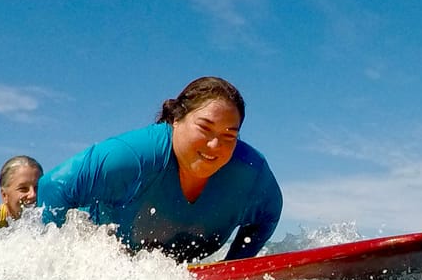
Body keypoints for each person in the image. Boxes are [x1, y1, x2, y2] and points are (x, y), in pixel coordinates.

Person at [35, 76, 281, 261]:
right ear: (176, 119)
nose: (215, 144)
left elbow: (269, 215)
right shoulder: (136, 156)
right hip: (109, 254)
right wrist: (59, 263)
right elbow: (53, 185)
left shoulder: (251, 173)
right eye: (205, 128)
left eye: (229, 135)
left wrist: (233, 267)